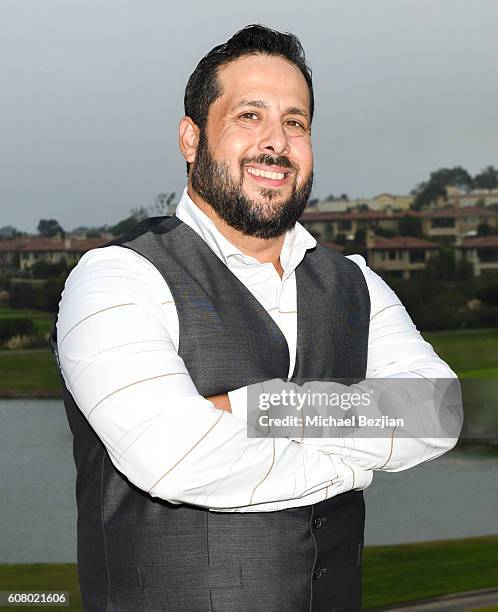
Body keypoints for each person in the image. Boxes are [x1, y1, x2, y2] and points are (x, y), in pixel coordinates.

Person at [50, 24, 461, 612]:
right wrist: (360, 453)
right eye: (249, 116)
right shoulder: (116, 277)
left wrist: (249, 407)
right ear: (191, 139)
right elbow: (176, 458)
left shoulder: (355, 282)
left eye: (295, 122)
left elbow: (438, 412)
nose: (277, 142)